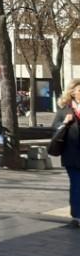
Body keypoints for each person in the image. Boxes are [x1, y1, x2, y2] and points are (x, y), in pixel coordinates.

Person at [51, 79, 80, 228]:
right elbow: (54, 128)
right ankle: (77, 216)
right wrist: (65, 123)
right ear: (73, 92)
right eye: (79, 91)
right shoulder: (64, 110)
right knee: (77, 184)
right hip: (72, 155)